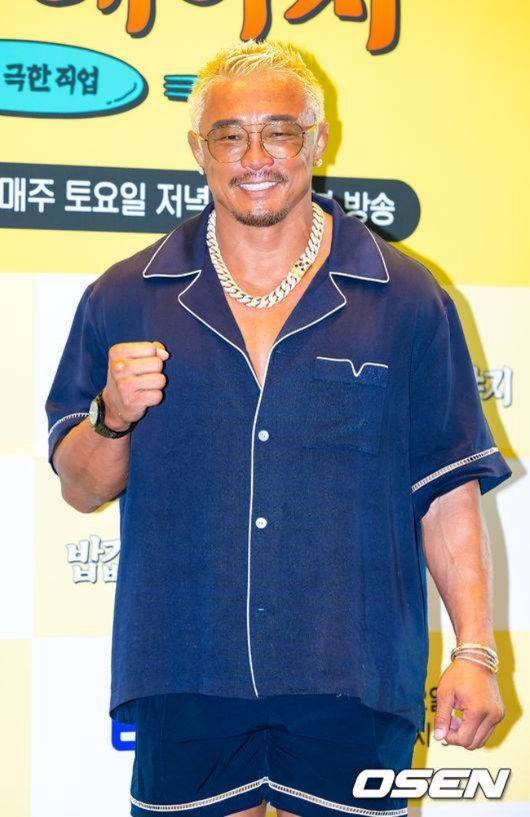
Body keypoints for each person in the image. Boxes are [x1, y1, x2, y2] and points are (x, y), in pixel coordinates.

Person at [45, 39, 511, 817]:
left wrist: (474, 650)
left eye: (280, 132)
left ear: (317, 141)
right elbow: (80, 487)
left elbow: (445, 492)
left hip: (354, 676)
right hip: (185, 671)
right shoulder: (124, 295)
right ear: (198, 149)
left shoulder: (407, 296)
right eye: (230, 135)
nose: (255, 156)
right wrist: (111, 416)